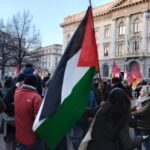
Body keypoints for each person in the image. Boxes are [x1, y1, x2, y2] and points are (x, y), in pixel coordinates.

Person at [14, 74, 43, 150]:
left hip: (20, 135)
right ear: (36, 84)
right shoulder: (36, 97)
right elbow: (39, 120)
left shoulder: (17, 93)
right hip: (32, 138)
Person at [131, 85, 150, 150]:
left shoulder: (148, 102)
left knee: (145, 143)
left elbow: (141, 112)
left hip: (144, 126)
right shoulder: (140, 99)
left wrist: (131, 114)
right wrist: (127, 110)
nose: (139, 92)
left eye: (141, 91)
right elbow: (135, 108)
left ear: (146, 93)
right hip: (136, 124)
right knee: (137, 142)